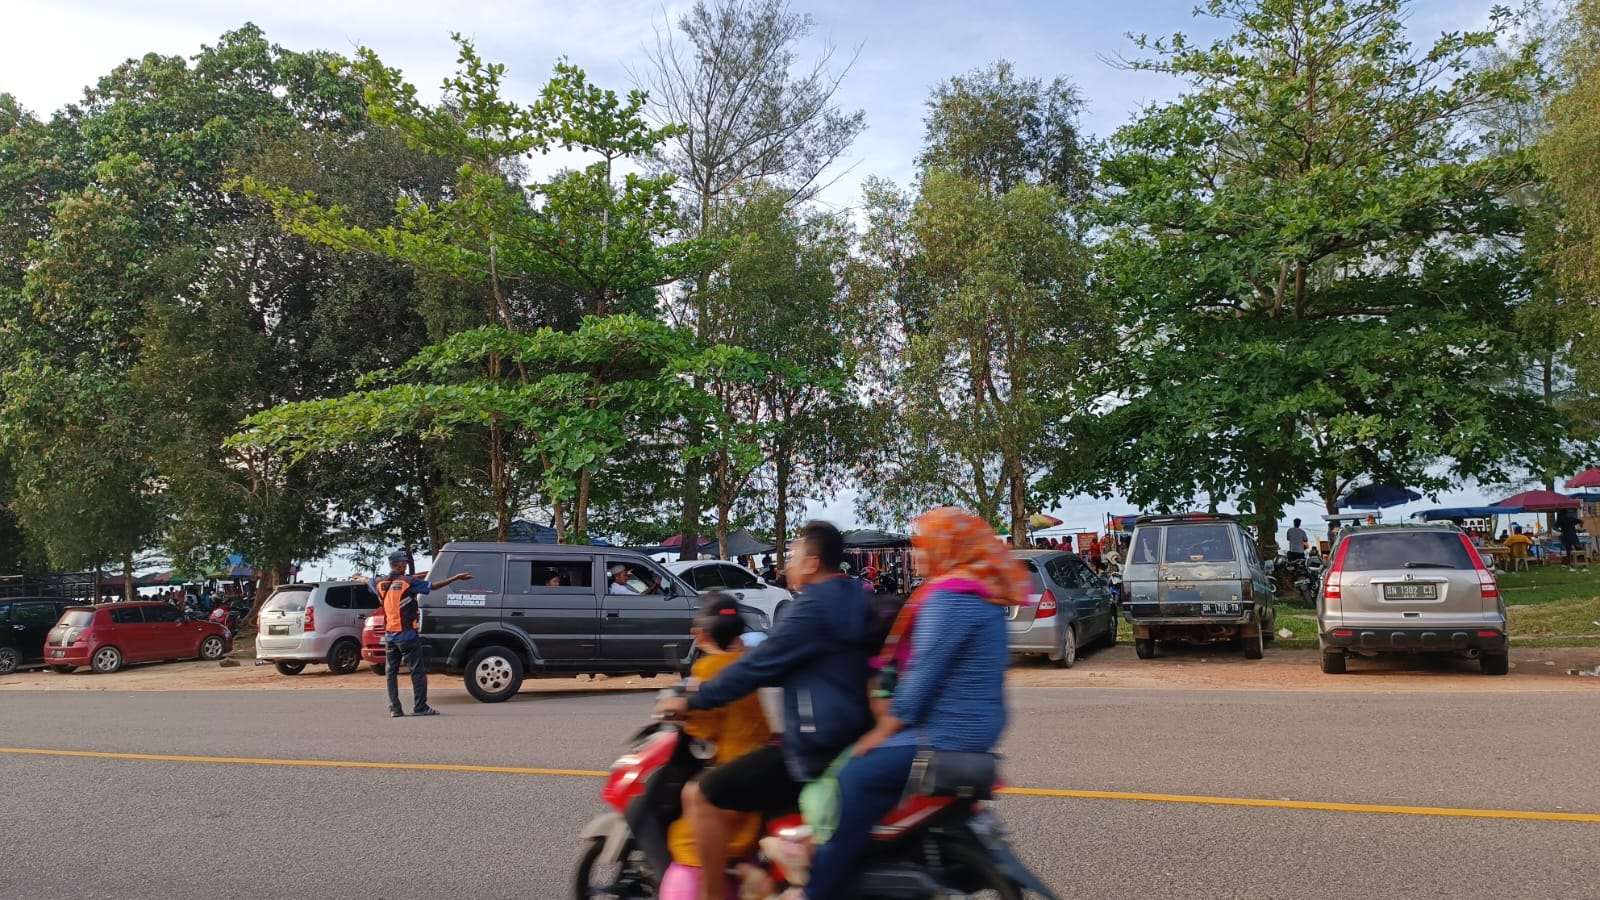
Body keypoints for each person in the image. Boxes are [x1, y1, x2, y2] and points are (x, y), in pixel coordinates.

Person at [800, 507, 1024, 899]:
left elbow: (922, 677)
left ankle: (820, 889)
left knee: (854, 776)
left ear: (946, 548)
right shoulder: (985, 596)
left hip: (944, 736)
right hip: (978, 732)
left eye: (923, 545)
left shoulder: (950, 598)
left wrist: (881, 732)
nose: (915, 554)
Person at [654, 521, 875, 900]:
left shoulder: (812, 608)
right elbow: (786, 659)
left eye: (794, 555)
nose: (787, 564)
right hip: (846, 738)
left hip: (812, 748)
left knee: (702, 794)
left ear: (812, 563)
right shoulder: (854, 598)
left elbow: (761, 665)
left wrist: (691, 700)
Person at [660, 592, 775, 900]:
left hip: (731, 773)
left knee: (690, 817)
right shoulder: (748, 662)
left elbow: (703, 728)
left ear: (699, 634)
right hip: (761, 766)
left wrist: (682, 709)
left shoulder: (708, 669)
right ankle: (743, 869)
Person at [370, 550, 474, 718]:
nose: (406, 564)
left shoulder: (379, 583)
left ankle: (395, 708)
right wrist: (455, 578)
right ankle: (420, 707)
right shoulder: (408, 582)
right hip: (407, 636)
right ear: (399, 565)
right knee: (417, 671)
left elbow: (367, 582)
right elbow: (434, 586)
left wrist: (359, 578)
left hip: (390, 637)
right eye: (404, 562)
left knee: (391, 673)